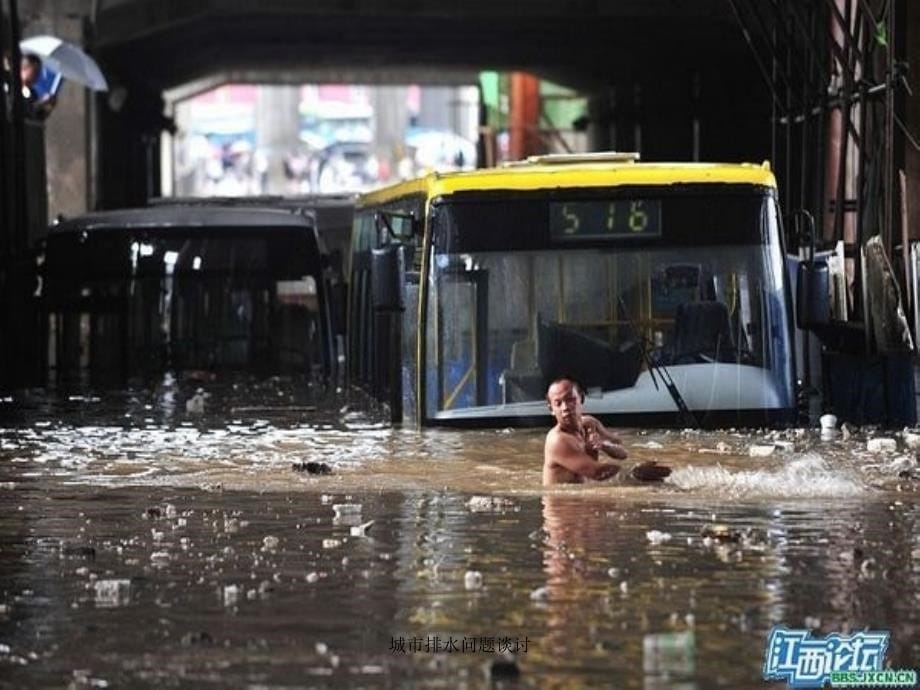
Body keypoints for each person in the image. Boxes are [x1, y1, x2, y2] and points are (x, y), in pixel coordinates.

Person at [543, 376, 670, 485]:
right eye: (558, 403)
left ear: (581, 398)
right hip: (563, 507)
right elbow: (597, 473)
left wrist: (604, 445)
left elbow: (622, 452)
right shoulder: (557, 440)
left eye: (570, 400)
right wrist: (636, 473)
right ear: (551, 409)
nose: (565, 408)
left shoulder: (589, 423)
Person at [19, 53, 55, 120]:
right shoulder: (10, 84)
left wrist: (49, 107)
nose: (37, 76)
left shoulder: (32, 93)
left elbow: (37, 118)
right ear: (24, 68)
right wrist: (40, 102)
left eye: (38, 73)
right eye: (35, 72)